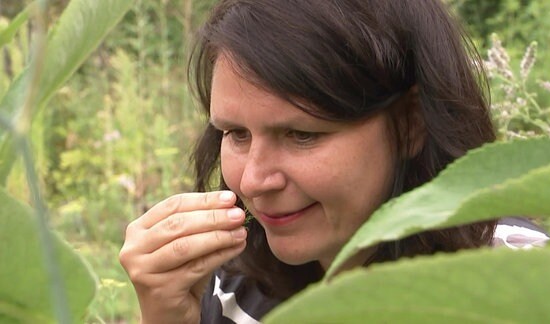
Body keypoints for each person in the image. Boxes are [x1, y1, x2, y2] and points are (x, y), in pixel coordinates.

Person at [118, 0, 522, 322]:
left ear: (410, 124)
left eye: (302, 134)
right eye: (236, 134)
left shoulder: (522, 285)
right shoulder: (229, 284)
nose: (255, 181)